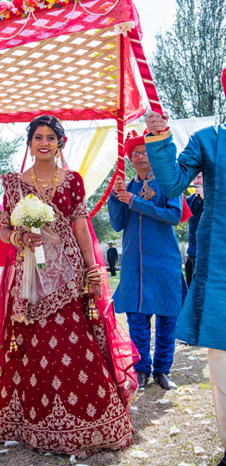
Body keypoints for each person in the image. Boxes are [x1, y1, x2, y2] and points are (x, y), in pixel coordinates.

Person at [0, 115, 139, 458]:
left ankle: (88, 422)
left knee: (73, 342)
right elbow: (3, 231)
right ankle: (26, 423)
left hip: (67, 276)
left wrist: (93, 271)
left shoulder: (72, 180)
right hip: (28, 279)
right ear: (29, 143)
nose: (43, 142)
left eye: (50, 137)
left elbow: (80, 228)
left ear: (59, 143)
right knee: (29, 345)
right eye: (37, 136)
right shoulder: (15, 184)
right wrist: (19, 235)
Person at [144, 69, 226, 465]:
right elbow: (175, 184)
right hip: (220, 262)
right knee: (223, 360)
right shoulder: (209, 140)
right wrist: (160, 138)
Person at [108, 131, 186, 391]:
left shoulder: (168, 184)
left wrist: (136, 202)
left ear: (153, 156)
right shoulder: (125, 187)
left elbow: (174, 216)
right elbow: (118, 224)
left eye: (145, 152)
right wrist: (114, 196)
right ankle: (140, 370)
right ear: (130, 159)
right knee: (137, 321)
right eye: (135, 153)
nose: (140, 156)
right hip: (134, 264)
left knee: (167, 320)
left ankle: (162, 371)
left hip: (164, 262)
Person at [185, 173, 204, 288]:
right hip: (191, 254)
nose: (196, 181)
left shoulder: (216, 197)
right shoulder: (190, 200)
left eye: (199, 177)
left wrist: (205, 198)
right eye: (194, 177)